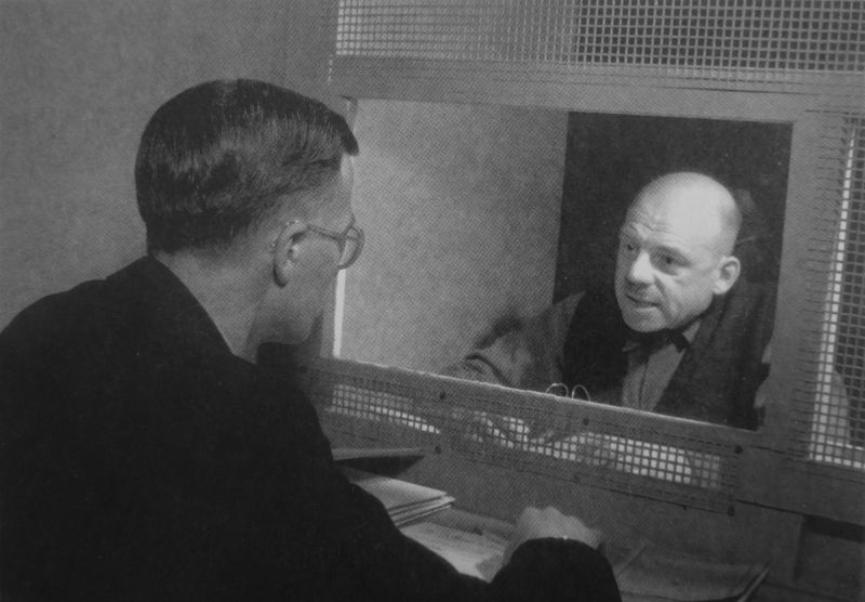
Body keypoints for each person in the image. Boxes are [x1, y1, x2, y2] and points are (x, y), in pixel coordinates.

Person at [0, 80, 620, 601]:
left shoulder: (42, 327)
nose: (341, 262)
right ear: (291, 248)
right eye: (343, 239)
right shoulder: (249, 420)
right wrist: (556, 553)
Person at [445, 172, 776, 430]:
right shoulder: (586, 312)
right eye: (630, 247)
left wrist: (682, 464)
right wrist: (479, 413)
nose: (635, 274)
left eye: (667, 260)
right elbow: (462, 383)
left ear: (723, 276)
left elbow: (790, 471)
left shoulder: (771, 328)